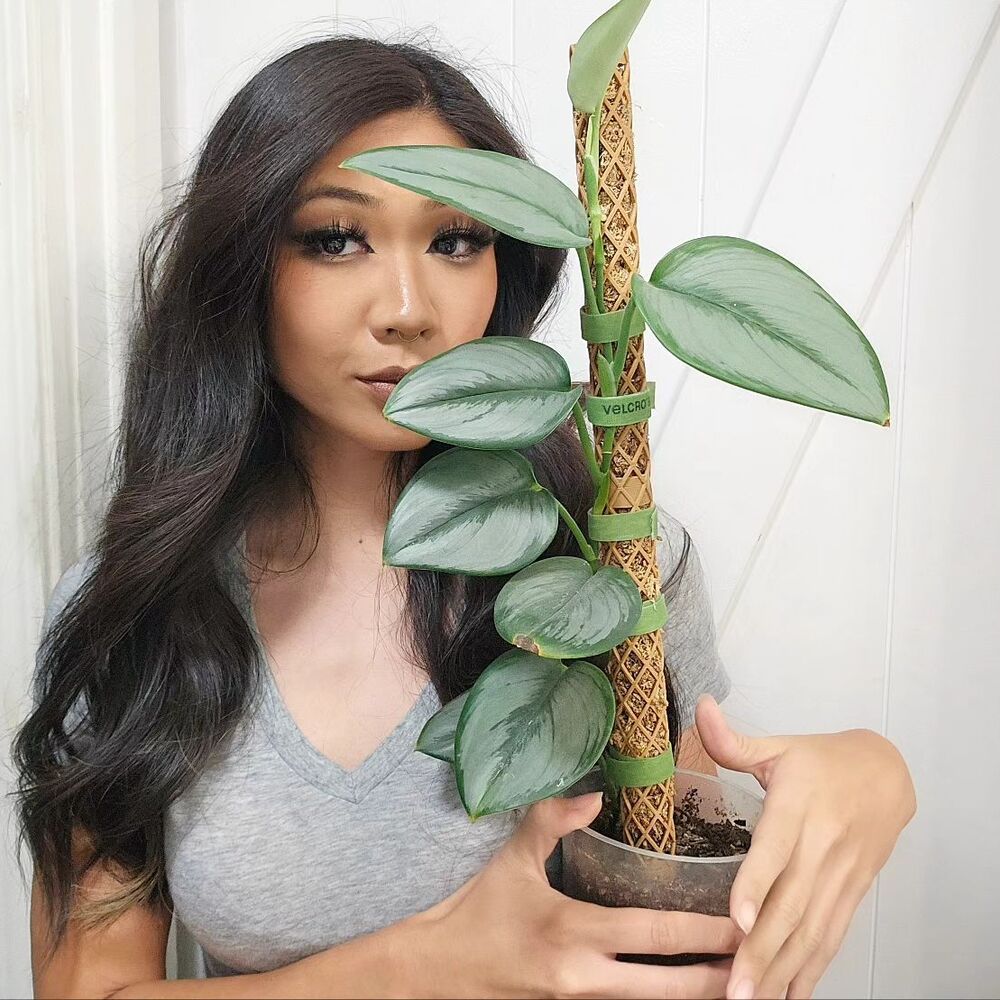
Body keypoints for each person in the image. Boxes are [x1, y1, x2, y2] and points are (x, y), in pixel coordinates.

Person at [12, 35, 915, 1000]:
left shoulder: (605, 562)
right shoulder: (139, 613)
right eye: (334, 237)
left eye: (456, 241)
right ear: (241, 269)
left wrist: (873, 775)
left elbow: (690, 875)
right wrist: (433, 962)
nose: (407, 309)